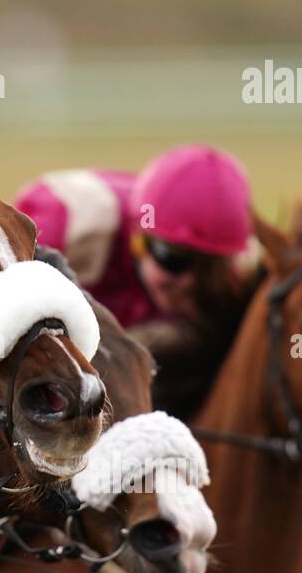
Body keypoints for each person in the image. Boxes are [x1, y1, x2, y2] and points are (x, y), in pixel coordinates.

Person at [15, 144, 261, 417]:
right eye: (174, 258)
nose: (190, 282)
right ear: (137, 237)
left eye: (208, 270)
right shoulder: (68, 225)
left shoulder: (237, 283)